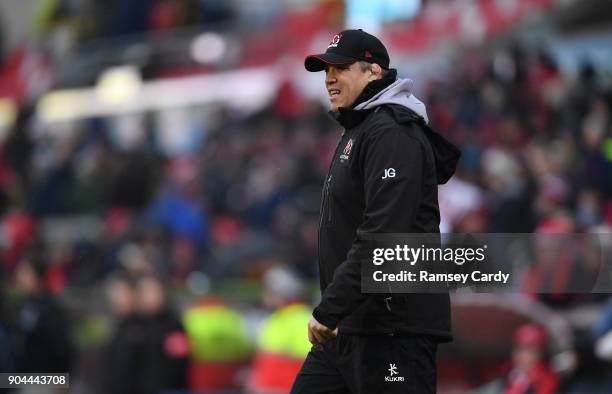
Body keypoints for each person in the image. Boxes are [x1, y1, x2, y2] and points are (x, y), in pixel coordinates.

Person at [292, 29, 460, 393]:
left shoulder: (391, 132)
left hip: (393, 328)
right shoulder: (360, 129)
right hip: (353, 324)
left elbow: (384, 236)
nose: (330, 79)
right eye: (325, 71)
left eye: (340, 68)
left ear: (374, 72)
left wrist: (330, 308)